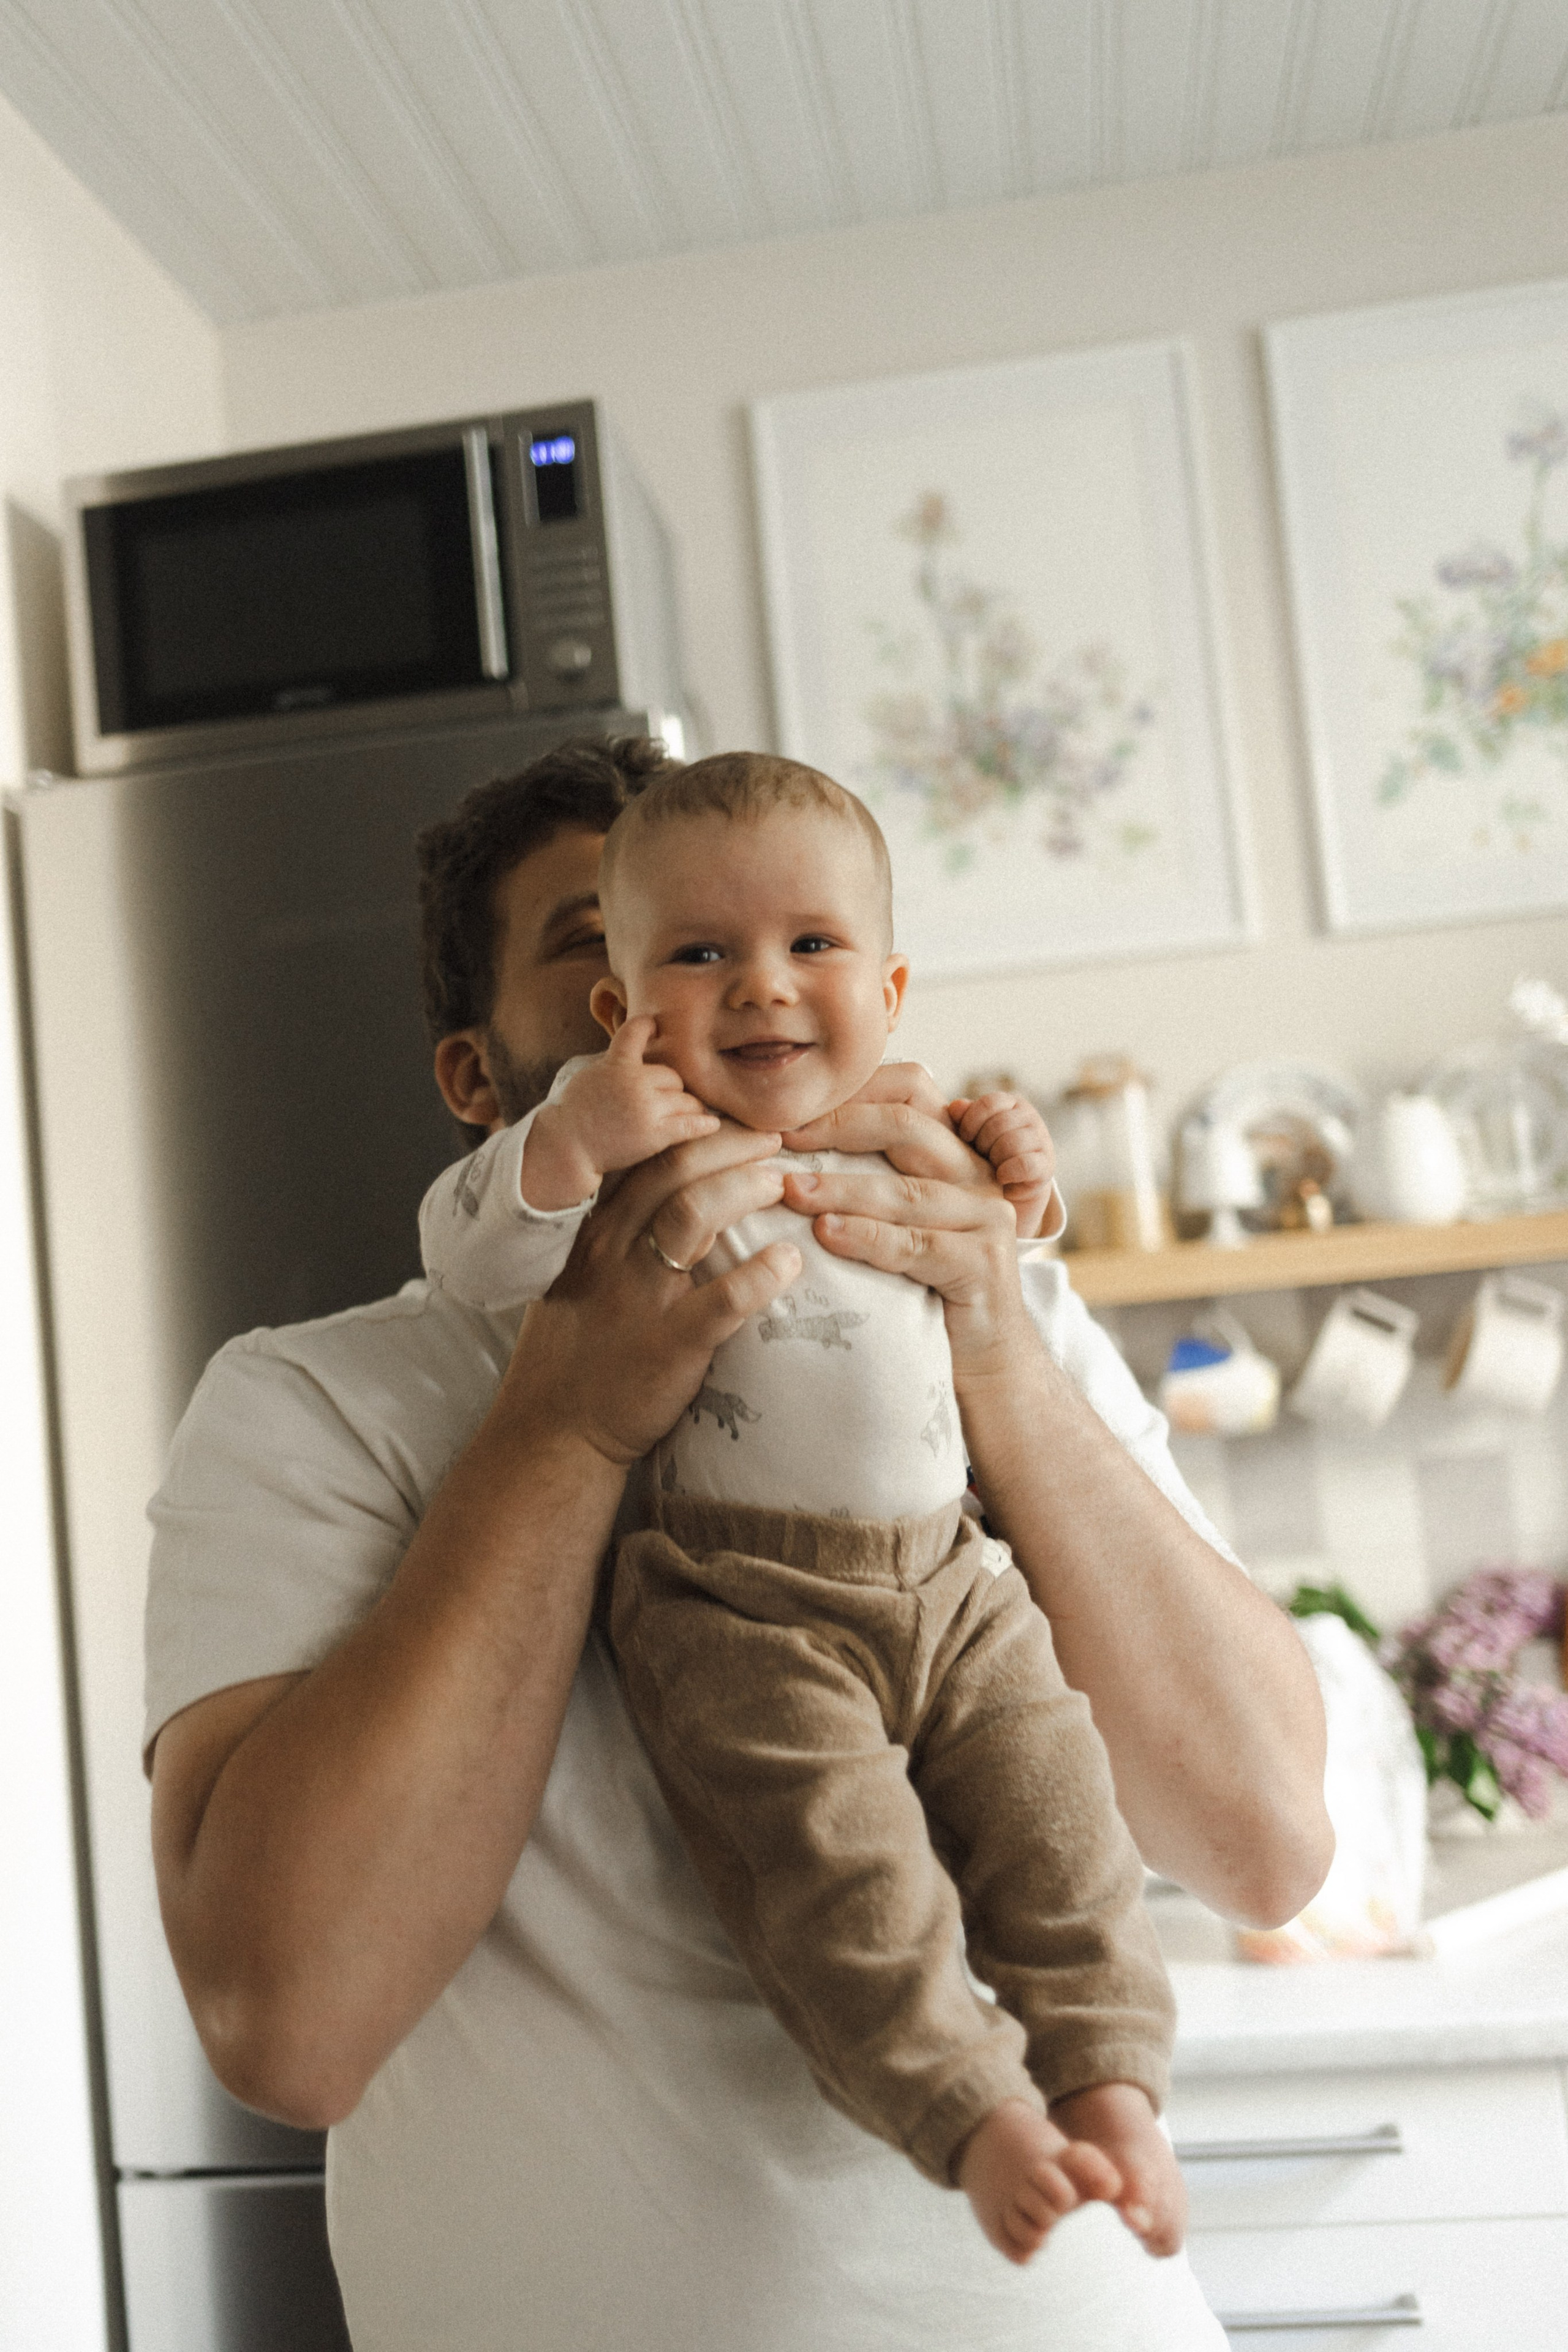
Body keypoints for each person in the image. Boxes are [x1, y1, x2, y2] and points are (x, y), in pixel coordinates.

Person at [145, 734, 1331, 2352]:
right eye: (635, 944)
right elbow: (288, 2029)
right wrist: (569, 1418)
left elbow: (1266, 1837)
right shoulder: (310, 1405)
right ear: (482, 1083)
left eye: (800, 939)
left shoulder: (983, 1306)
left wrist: (994, 1350)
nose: (746, 993)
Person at [417, 750, 1183, 2266]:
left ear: (889, 989)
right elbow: (471, 1256)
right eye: (699, 956)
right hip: (739, 1598)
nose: (761, 987)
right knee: (831, 1858)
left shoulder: (910, 1139)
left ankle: (1108, 2075)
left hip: (958, 1582)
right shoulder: (620, 1154)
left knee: (1059, 1810)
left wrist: (1017, 1187)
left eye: (809, 947)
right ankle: (965, 2109)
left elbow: (1001, 1256)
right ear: (618, 1009)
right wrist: (565, 1140)